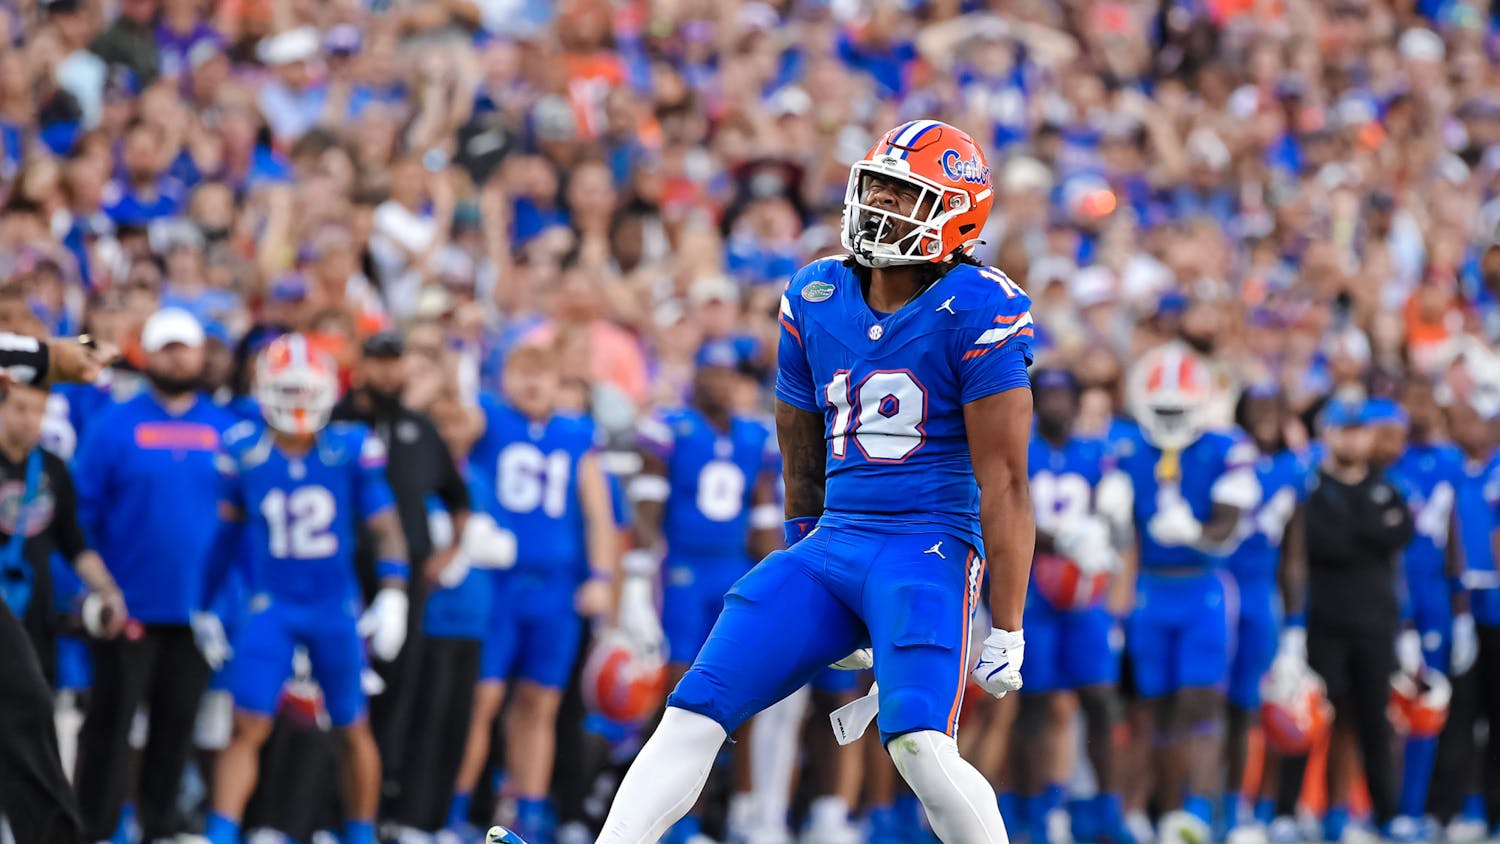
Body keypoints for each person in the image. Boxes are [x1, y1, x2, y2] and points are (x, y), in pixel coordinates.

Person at [599, 119, 1035, 844]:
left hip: (924, 550)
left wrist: (1010, 623)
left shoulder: (984, 306)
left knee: (920, 747)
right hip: (833, 542)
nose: (882, 205)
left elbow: (1008, 482)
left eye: (907, 193)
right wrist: (813, 556)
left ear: (957, 214)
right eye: (880, 186)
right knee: (695, 706)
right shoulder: (815, 291)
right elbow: (799, 453)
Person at [203, 334, 410, 844]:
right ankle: (220, 835)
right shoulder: (244, 452)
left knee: (351, 727)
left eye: (304, 391)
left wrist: (394, 592)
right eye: (286, 391)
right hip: (271, 605)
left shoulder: (350, 449)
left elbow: (386, 528)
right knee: (247, 727)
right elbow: (224, 537)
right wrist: (204, 605)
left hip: (332, 605)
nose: (296, 403)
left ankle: (361, 836)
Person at [71, 307, 240, 843]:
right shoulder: (114, 425)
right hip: (128, 605)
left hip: (197, 609)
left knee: (176, 727)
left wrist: (231, 602)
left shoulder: (227, 429)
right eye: (166, 347)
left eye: (185, 347)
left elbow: (245, 521)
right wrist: (92, 591)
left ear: (200, 354)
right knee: (110, 727)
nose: (177, 356)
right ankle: (93, 830)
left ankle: (160, 829)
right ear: (147, 354)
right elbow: (81, 514)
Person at [447, 344, 618, 842]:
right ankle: (458, 809)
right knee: (484, 699)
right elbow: (458, 421)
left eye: (542, 374)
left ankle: (529, 811)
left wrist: (601, 578)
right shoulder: (492, 420)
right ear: (504, 379)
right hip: (499, 582)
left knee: (540, 703)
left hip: (556, 585)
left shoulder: (575, 433)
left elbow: (597, 512)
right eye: (522, 374)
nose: (532, 384)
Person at [630, 339, 781, 844]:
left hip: (733, 573)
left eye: (727, 373)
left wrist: (775, 581)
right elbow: (647, 512)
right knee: (678, 690)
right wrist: (640, 571)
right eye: (710, 371)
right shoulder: (669, 428)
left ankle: (736, 810)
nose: (719, 382)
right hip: (683, 571)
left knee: (744, 694)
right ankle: (670, 818)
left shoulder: (754, 437)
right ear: (694, 376)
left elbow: (762, 519)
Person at [1114, 342, 1260, 843]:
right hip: (1150, 591)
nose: (1172, 419)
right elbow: (1118, 537)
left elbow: (1228, 528)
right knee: (1152, 708)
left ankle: (1198, 812)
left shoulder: (1226, 448)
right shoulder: (1128, 450)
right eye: (1165, 409)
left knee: (1201, 703)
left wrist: (1195, 534)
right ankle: (1161, 810)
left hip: (1203, 589)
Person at [330, 329, 471, 799]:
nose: (387, 371)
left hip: (406, 575)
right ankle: (316, 807)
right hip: (342, 572)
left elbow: (458, 496)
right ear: (361, 365)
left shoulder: (420, 428)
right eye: (378, 361)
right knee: (336, 685)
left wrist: (450, 551)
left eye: (395, 361)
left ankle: (378, 802)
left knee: (397, 685)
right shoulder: (336, 421)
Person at [1277, 399, 1416, 841]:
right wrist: (1365, 535)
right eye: (1346, 429)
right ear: (1329, 435)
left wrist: (1351, 536)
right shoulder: (1312, 488)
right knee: (1310, 717)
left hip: (1375, 621)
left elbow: (1398, 536)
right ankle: (1286, 811)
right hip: (1325, 619)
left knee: (1375, 720)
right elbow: (1318, 543)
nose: (1355, 439)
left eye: (1361, 430)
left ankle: (1387, 813)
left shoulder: (1386, 487)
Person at [0, 380, 125, 844]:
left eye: (37, 411)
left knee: (34, 717)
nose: (27, 420)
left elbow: (75, 543)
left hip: (32, 616)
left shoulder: (51, 469)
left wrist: (109, 591)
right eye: (18, 408)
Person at [1017, 366, 1135, 844]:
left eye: (1064, 395)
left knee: (1100, 697)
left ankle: (1108, 808)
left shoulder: (1098, 454)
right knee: (1035, 703)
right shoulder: (1021, 451)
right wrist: (1059, 540)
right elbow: (1005, 515)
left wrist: (1109, 525)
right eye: (1047, 395)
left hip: (1086, 596)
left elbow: (1120, 527)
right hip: (1032, 592)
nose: (1056, 404)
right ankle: (1036, 809)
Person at [1221, 385, 1314, 841]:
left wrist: (1295, 628)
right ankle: (1211, 803)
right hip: (1218, 587)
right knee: (1210, 701)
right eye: (1256, 406)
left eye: (1274, 407)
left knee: (1260, 704)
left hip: (1260, 592)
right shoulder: (1223, 458)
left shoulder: (1293, 470)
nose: (1265, 416)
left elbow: (1294, 557)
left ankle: (1254, 807)